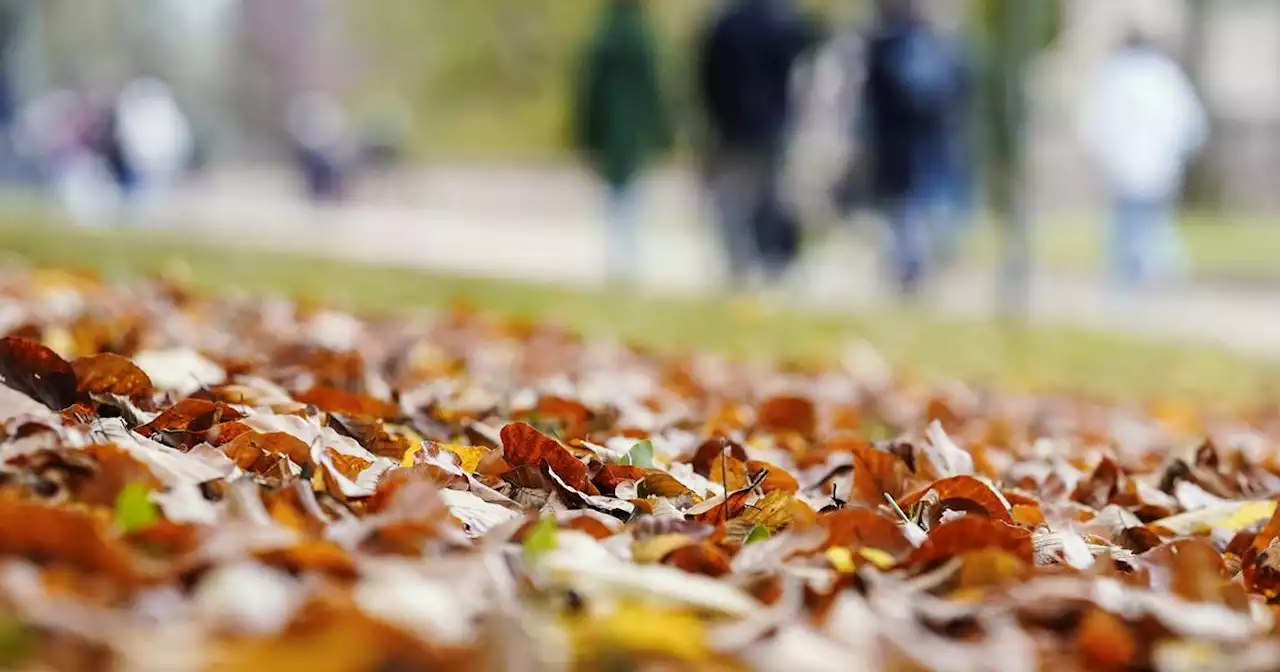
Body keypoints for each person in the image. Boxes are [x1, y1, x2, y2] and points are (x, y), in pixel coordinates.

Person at [697, 0, 819, 289]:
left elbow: (707, 75)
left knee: (733, 199)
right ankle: (773, 261)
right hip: (773, 124)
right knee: (770, 196)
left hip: (733, 124)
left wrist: (714, 115)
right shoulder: (785, 23)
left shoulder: (726, 23)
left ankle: (740, 262)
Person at [1079, 32, 1207, 291]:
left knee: (1131, 222)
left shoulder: (1113, 76)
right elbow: (1190, 122)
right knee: (1151, 220)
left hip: (1129, 162)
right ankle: (1154, 271)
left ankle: (1137, 276)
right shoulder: (1166, 75)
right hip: (1159, 162)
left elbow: (1094, 122)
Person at [863, 0, 969, 296]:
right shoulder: (921, 45)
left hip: (910, 144)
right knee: (913, 209)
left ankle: (913, 270)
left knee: (911, 209)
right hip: (916, 143)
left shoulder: (890, 45)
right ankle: (913, 270)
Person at [572, 0, 672, 285]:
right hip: (635, 129)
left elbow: (590, 92)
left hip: (610, 129)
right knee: (632, 194)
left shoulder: (603, 39)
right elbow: (654, 90)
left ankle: (619, 258)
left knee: (615, 195)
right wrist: (663, 131)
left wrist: (585, 134)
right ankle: (627, 258)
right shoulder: (642, 40)